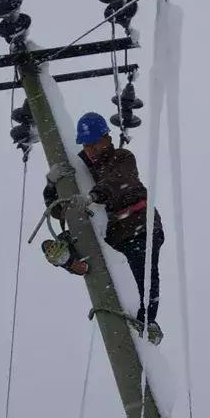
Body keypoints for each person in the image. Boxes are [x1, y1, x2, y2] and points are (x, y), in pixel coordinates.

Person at [42, 112, 164, 343]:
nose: (91, 150)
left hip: (139, 226)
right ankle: (73, 261)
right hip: (113, 234)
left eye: (95, 144)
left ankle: (148, 323)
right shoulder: (81, 166)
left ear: (107, 138)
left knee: (144, 277)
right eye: (86, 146)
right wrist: (51, 185)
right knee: (72, 239)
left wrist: (92, 196)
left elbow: (117, 181)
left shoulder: (122, 157)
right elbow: (59, 209)